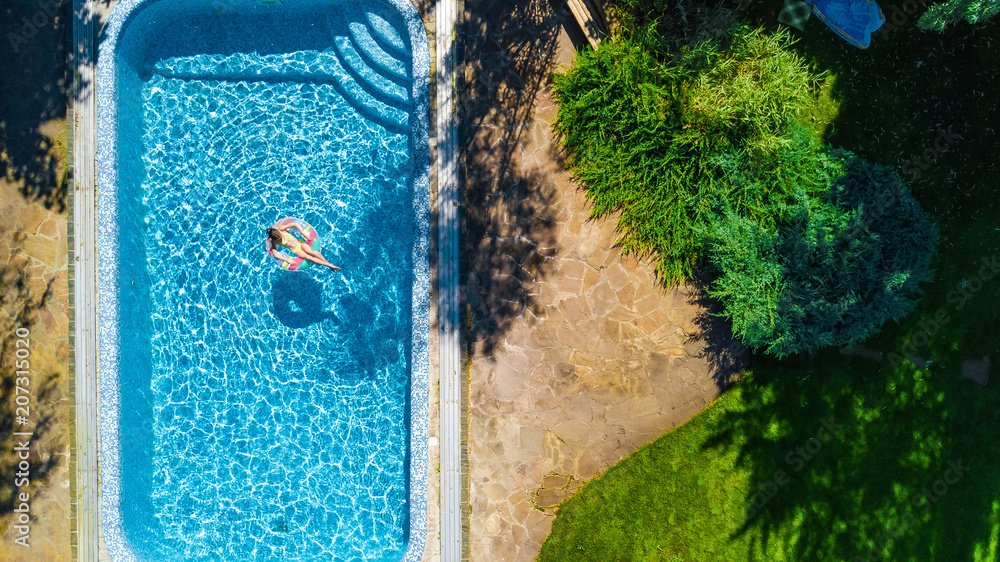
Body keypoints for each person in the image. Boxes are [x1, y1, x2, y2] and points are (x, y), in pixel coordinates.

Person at [266, 224, 341, 272]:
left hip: (300, 243)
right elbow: (275, 255)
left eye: (279, 236)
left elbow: (295, 224)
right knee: (309, 257)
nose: (280, 238)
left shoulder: (281, 229)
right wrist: (287, 259)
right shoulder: (274, 241)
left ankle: (329, 264)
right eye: (278, 239)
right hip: (296, 250)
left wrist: (303, 233)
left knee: (311, 252)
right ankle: (330, 265)